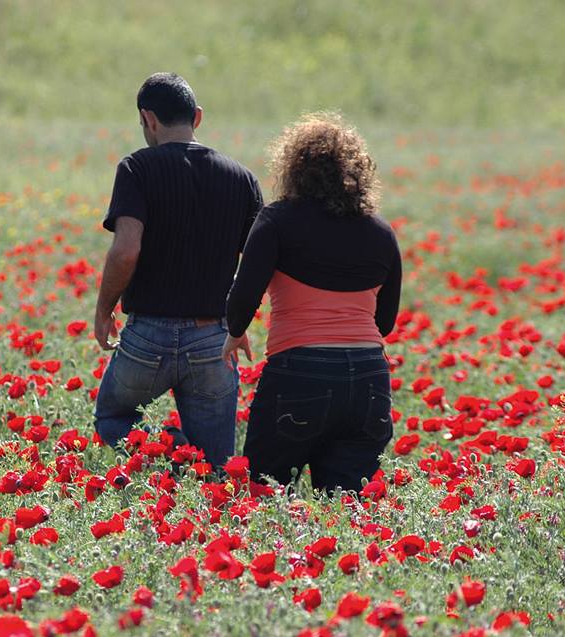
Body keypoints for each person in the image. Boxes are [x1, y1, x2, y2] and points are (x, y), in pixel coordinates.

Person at [223, 113, 401, 493]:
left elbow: (243, 296)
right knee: (347, 510)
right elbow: (385, 322)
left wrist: (235, 331)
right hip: (369, 379)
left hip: (300, 372)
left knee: (264, 495)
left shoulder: (277, 221)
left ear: (292, 168)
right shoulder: (381, 233)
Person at [93, 72, 263, 470]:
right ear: (197, 117)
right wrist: (236, 326)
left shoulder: (137, 168)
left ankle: (173, 455)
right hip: (213, 339)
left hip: (148, 334)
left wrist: (104, 310)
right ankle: (194, 468)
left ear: (148, 119)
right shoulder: (242, 179)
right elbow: (256, 265)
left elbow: (126, 251)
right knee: (217, 468)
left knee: (114, 418)